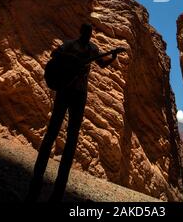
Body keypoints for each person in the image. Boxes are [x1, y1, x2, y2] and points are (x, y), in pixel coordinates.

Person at [26, 23, 117, 202]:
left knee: (72, 138)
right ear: (81, 31)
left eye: (90, 33)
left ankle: (59, 189)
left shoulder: (93, 48)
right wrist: (72, 60)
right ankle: (37, 178)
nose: (89, 35)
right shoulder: (69, 45)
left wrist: (112, 57)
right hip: (65, 89)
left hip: (80, 94)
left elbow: (102, 64)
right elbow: (54, 56)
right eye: (87, 32)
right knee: (52, 132)